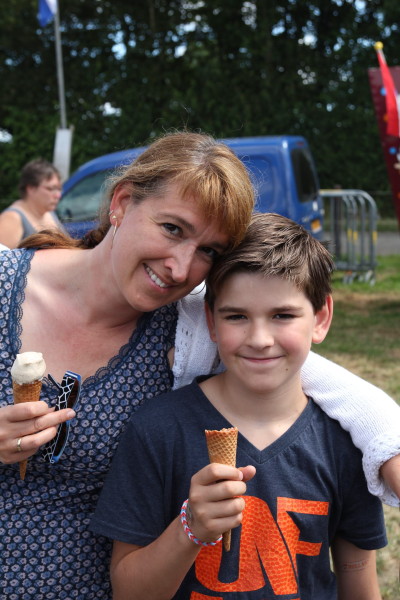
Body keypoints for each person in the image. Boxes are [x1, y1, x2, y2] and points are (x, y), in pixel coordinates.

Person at [0, 130, 398, 600]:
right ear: (122, 203)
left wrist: (389, 447)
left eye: (209, 251)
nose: (180, 268)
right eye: (172, 228)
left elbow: (303, 368)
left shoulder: (187, 323)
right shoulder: (6, 282)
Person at [91, 213, 387, 599]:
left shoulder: (344, 443)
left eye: (282, 315)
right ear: (211, 322)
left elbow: (358, 579)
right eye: (237, 316)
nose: (260, 339)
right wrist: (190, 529)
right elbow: (129, 592)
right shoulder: (158, 430)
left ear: (321, 317)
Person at [0, 158, 64, 248]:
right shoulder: (11, 219)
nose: (58, 195)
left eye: (59, 189)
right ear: (31, 188)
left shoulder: (48, 212)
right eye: (50, 189)